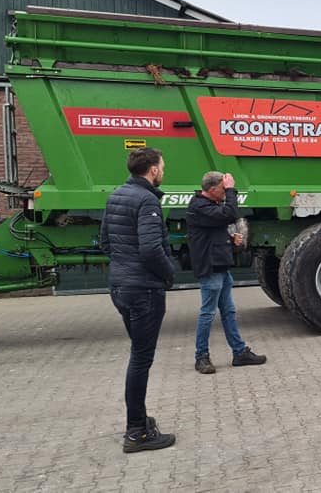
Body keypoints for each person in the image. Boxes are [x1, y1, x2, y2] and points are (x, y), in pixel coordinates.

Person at [100, 147, 176, 453]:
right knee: (141, 359)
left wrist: (123, 267)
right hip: (144, 289)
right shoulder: (147, 200)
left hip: (120, 287)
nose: (163, 170)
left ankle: (140, 420)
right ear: (154, 170)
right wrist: (169, 274)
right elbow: (150, 249)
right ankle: (137, 432)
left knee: (138, 354)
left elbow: (105, 241)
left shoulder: (117, 195)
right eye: (163, 165)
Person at [187, 171, 266, 374]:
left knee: (229, 312)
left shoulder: (210, 207)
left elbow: (212, 232)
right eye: (223, 189)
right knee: (207, 314)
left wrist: (231, 242)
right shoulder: (199, 206)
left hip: (221, 268)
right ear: (212, 190)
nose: (225, 193)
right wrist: (231, 190)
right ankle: (201, 357)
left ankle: (239, 352)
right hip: (211, 269)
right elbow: (230, 214)